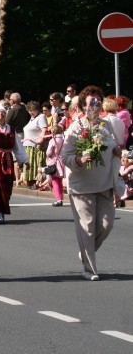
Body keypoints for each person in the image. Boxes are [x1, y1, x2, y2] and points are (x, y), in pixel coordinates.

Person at [61, 85, 120, 281]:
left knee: (107, 224)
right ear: (84, 107)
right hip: (81, 186)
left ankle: (87, 251)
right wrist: (79, 160)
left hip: (104, 185)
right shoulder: (75, 128)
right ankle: (89, 269)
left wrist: (117, 152)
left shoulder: (106, 125)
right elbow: (65, 157)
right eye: (91, 103)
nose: (95, 106)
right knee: (87, 227)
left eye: (97, 102)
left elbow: (112, 145)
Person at [21, 101, 48, 189]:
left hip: (35, 145)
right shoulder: (32, 118)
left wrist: (40, 141)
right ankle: (29, 181)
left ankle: (36, 182)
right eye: (29, 110)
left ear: (37, 109)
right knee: (29, 164)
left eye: (33, 110)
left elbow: (44, 130)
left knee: (36, 164)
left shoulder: (41, 117)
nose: (31, 112)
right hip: (27, 145)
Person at [44, 124, 65, 207]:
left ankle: (58, 199)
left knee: (54, 181)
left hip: (54, 162)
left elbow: (48, 153)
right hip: (62, 161)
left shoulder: (53, 140)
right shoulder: (63, 140)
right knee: (60, 181)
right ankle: (61, 197)